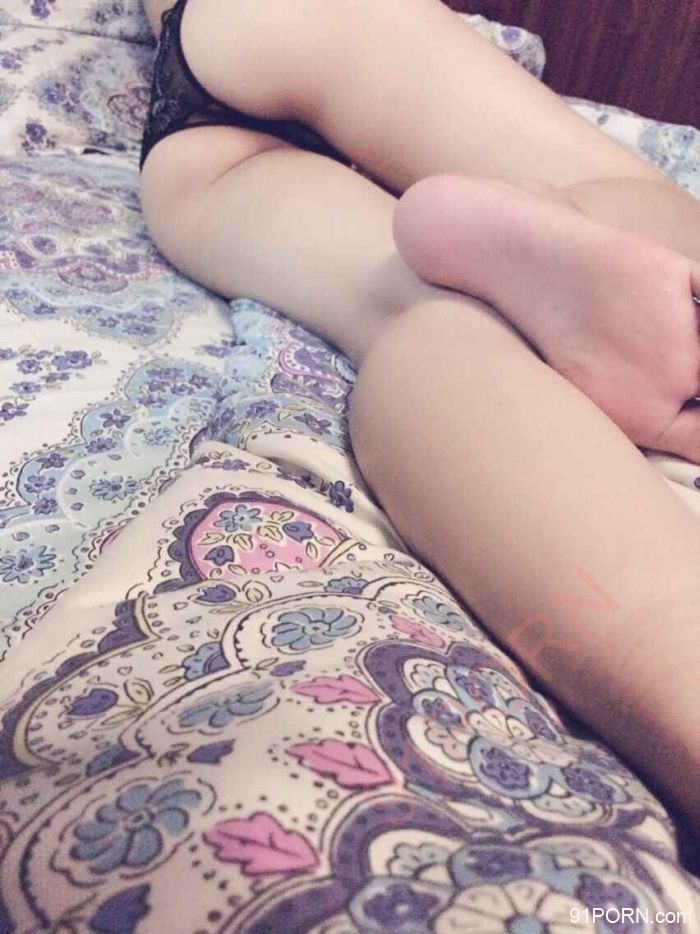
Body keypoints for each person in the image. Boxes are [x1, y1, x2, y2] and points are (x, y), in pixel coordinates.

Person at [139, 0, 700, 838]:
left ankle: (681, 670)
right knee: (619, 193)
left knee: (402, 308)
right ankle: (587, 227)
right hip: (339, 27)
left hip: (204, 140)